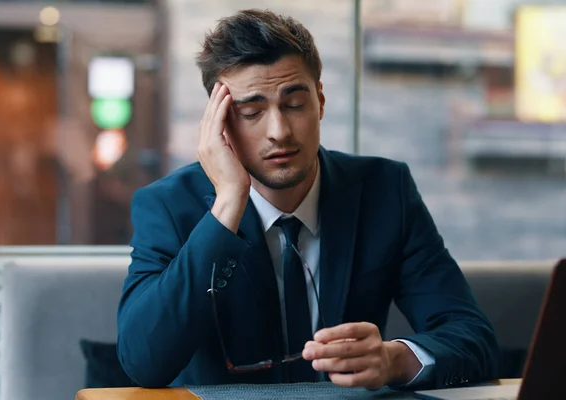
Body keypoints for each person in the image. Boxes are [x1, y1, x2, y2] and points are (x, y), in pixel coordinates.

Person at [116, 8, 499, 391]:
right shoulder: (168, 206)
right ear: (218, 124)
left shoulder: (386, 190)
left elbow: (473, 338)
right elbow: (144, 363)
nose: (279, 132)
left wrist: (393, 359)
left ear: (320, 101)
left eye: (295, 105)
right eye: (250, 112)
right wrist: (228, 204)